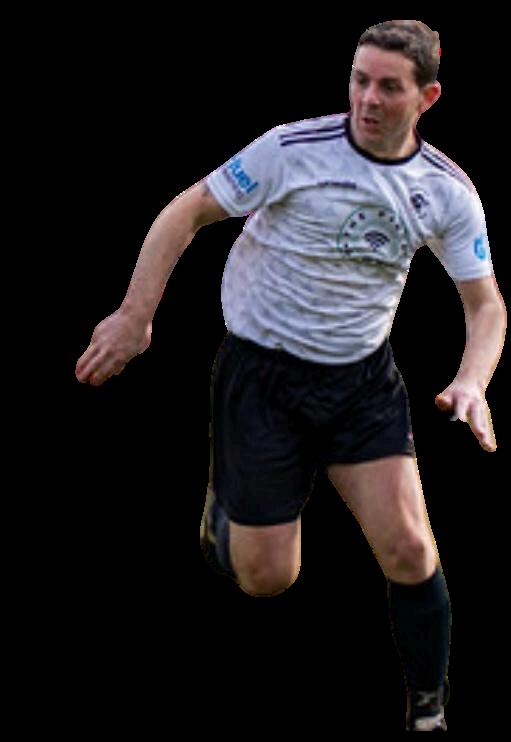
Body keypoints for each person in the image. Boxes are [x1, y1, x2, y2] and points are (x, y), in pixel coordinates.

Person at [75, 20, 506, 731]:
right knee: (267, 578)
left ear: (426, 97)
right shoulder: (290, 150)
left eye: (388, 87)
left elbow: (484, 305)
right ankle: (224, 515)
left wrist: (472, 380)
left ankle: (428, 712)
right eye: (359, 80)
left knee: (410, 548)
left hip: (361, 385)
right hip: (263, 379)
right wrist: (134, 316)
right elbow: (187, 211)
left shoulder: (446, 191)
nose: (367, 99)